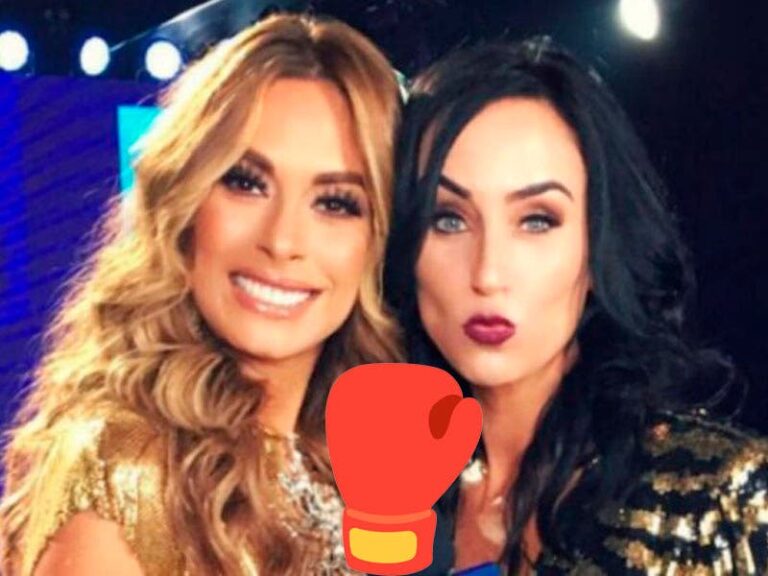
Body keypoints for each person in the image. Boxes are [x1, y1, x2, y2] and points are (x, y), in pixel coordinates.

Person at [0, 13, 402, 576]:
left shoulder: (335, 459)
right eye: (245, 182)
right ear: (185, 202)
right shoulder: (124, 470)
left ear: (379, 238)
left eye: (336, 203)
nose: (282, 241)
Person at [385, 38, 768, 575]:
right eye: (447, 218)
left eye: (537, 220)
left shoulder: (720, 496)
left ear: (597, 247)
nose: (488, 273)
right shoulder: (361, 486)